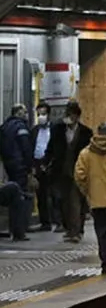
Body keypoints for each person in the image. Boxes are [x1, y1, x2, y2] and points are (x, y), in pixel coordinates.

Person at [74, 121, 106, 275]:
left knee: (102, 235)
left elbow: (79, 175)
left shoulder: (86, 153)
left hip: (97, 202)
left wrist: (88, 191)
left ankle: (105, 265)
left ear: (98, 132)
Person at [47, 101, 92, 243]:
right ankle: (70, 229)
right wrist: (45, 162)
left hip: (79, 171)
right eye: (67, 114)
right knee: (64, 202)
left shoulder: (86, 132)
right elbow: (51, 148)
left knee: (76, 202)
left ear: (77, 116)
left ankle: (76, 231)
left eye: (71, 114)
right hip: (61, 171)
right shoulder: (58, 130)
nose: (68, 117)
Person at [0, 104, 33, 240]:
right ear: (18, 112)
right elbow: (26, 148)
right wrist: (30, 167)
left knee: (13, 195)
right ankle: (19, 231)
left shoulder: (4, 127)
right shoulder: (21, 127)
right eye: (24, 112)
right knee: (20, 198)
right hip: (20, 166)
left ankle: (14, 228)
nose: (26, 114)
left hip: (9, 165)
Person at [31, 102, 54, 231]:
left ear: (48, 115)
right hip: (38, 164)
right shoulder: (34, 131)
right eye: (39, 114)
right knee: (41, 194)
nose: (41, 117)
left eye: (43, 114)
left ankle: (58, 221)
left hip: (51, 163)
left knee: (55, 194)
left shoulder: (54, 129)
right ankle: (45, 222)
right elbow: (31, 148)